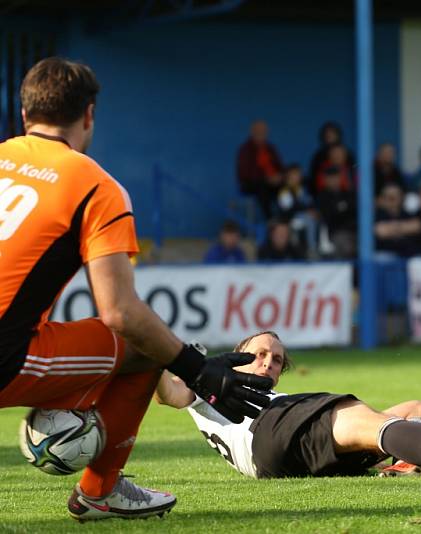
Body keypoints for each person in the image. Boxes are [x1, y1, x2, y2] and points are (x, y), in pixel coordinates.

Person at [0, 58, 272, 520]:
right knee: (142, 345)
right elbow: (120, 313)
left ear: (24, 115)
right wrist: (195, 367)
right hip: (8, 356)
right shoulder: (94, 185)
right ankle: (99, 492)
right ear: (89, 115)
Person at [155, 331, 421, 479]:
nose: (268, 362)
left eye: (276, 360)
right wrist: (157, 354)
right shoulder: (211, 384)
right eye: (259, 353)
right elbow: (169, 395)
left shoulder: (268, 395)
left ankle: (401, 466)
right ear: (238, 354)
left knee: (417, 410)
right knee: (359, 418)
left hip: (280, 455)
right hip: (270, 435)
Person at [236, 120, 285, 219]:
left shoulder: (270, 148)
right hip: (251, 184)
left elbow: (280, 166)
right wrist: (267, 178)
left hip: (272, 183)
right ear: (252, 132)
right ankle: (270, 220)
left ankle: (286, 217)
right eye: (258, 131)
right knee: (262, 187)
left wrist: (279, 176)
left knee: (285, 187)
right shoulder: (245, 149)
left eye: (263, 131)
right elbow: (245, 173)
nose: (261, 134)